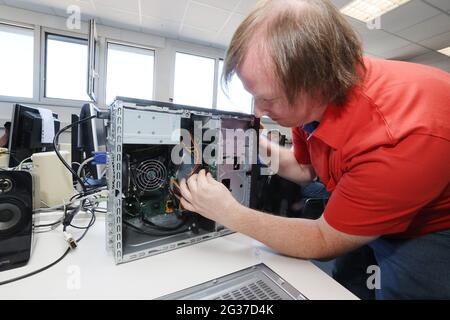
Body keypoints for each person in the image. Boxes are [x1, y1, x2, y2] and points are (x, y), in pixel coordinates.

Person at [178, 0, 450, 299]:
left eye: (267, 99)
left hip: (430, 227)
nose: (257, 111)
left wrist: (228, 212)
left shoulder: (399, 137)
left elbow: (324, 239)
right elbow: (304, 169)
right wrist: (252, 141)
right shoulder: (308, 100)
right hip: (368, 196)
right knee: (347, 284)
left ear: (318, 84)